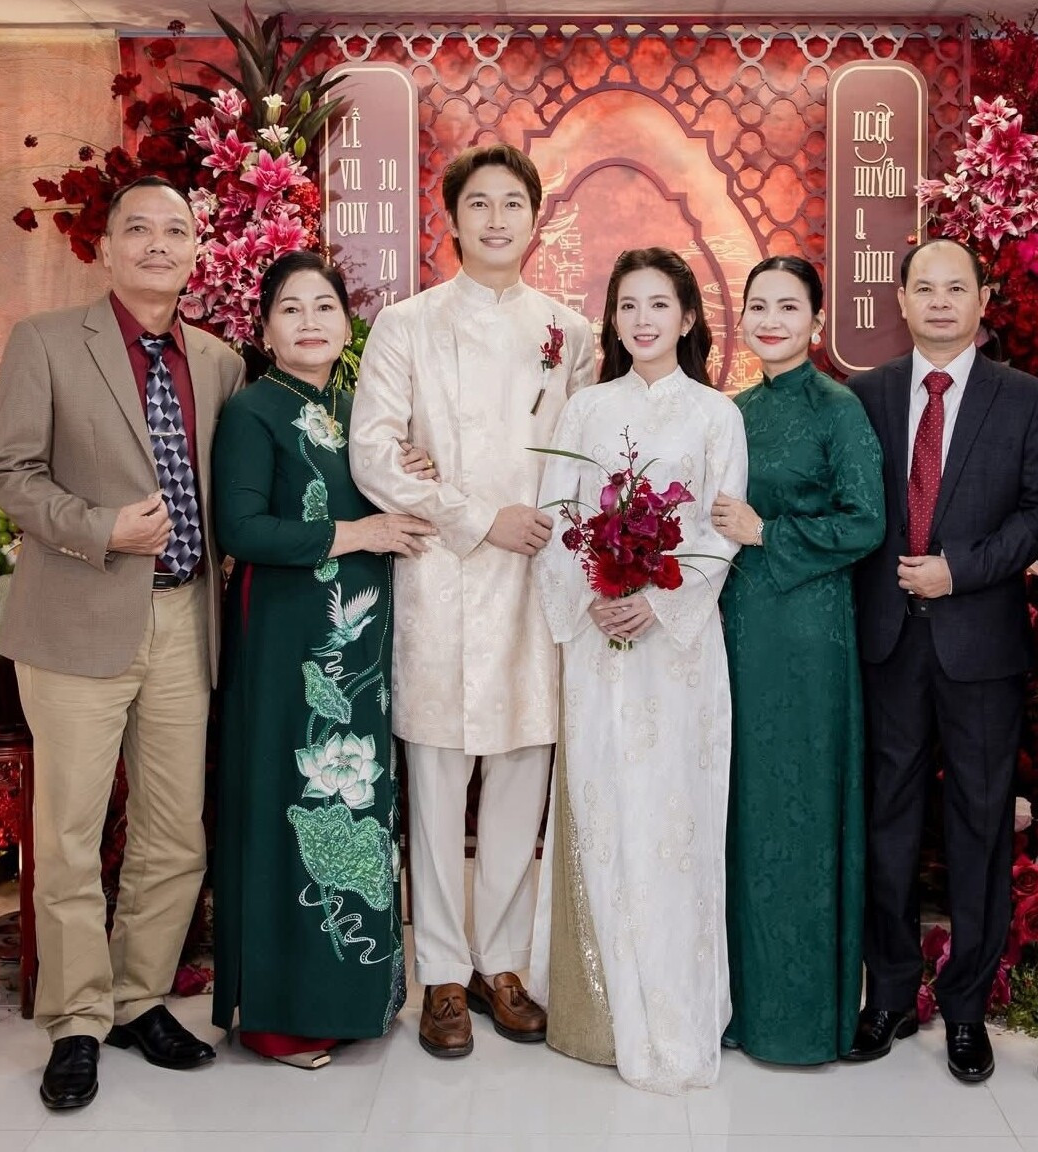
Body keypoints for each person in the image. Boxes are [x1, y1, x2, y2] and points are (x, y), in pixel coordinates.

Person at [0, 176, 247, 1110]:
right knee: (69, 832)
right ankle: (76, 1020)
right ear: (106, 248)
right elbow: (10, 474)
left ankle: (138, 999)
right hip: (77, 617)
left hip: (185, 620)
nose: (157, 245)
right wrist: (102, 528)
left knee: (175, 833)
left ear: (196, 250)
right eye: (138, 229)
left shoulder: (219, 361)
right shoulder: (48, 341)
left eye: (176, 230)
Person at [348, 142, 596, 1058]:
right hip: (443, 578)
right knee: (437, 778)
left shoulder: (569, 332)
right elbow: (374, 451)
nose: (496, 219)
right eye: (479, 203)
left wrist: (545, 524)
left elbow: (590, 451)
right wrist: (475, 517)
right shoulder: (406, 325)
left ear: (536, 219)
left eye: (512, 204)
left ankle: (504, 966)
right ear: (450, 219)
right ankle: (444, 974)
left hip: (537, 578)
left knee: (523, 773)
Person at [210, 252, 440, 1068]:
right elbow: (242, 530)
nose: (309, 321)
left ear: (349, 323)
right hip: (285, 643)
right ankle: (282, 1019)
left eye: (324, 307)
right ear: (264, 329)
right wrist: (359, 533)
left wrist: (414, 471)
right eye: (290, 308)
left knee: (357, 808)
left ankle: (351, 999)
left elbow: (393, 493)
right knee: (288, 806)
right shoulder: (253, 411)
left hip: (359, 650)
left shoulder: (358, 407)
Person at [531, 247, 748, 1094]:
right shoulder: (585, 409)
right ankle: (597, 1006)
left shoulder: (716, 415)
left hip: (680, 652)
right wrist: (593, 596)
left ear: (689, 317)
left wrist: (658, 601)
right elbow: (558, 517)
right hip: (599, 644)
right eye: (628, 306)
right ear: (612, 321)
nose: (644, 320)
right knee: (604, 799)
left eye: (660, 304)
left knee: (676, 813)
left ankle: (679, 999)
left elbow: (722, 527)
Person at [845, 238, 1038, 1083]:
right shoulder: (865, 396)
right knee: (887, 823)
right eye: (924, 288)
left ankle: (967, 1006)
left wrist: (958, 569)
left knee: (979, 823)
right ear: (900, 300)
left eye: (956, 288)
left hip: (980, 643)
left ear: (982, 300)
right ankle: (892, 993)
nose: (940, 302)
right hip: (887, 641)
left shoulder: (1026, 400)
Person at [709, 256, 885, 1065]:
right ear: (741, 319)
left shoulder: (837, 408)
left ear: (817, 322)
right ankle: (739, 1005)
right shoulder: (729, 412)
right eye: (758, 306)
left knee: (802, 808)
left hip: (809, 631)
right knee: (741, 805)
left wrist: (767, 533)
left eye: (789, 307)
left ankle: (803, 1018)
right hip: (731, 625)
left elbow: (866, 521)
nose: (771, 320)